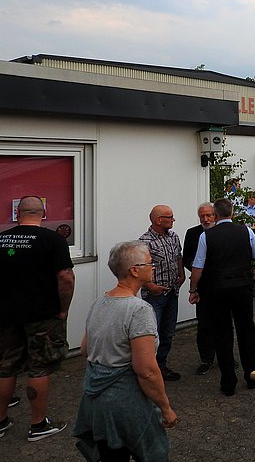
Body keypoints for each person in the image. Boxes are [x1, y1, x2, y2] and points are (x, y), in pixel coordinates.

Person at [73, 241, 178, 460]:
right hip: (126, 405)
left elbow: (85, 349)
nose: (154, 267)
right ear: (135, 270)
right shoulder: (139, 310)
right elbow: (146, 370)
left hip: (96, 403)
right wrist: (165, 408)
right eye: (150, 263)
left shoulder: (100, 302)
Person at [0, 195, 74, 442]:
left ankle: (1, 421)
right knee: (39, 367)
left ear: (17, 213)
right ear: (43, 213)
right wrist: (63, 309)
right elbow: (65, 277)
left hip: (6, 316)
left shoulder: (2, 239)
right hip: (43, 316)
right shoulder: (53, 240)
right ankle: (38, 425)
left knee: (5, 366)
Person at [189, 198, 255, 396]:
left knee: (222, 334)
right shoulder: (246, 231)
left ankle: (228, 382)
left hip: (217, 290)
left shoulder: (206, 236)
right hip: (242, 288)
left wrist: (193, 290)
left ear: (215, 215)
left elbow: (198, 267)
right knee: (246, 330)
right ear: (232, 213)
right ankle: (252, 376)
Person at [138, 205, 184, 382]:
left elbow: (178, 257)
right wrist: (150, 286)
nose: (173, 220)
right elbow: (139, 269)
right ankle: (147, 370)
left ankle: (161, 366)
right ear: (158, 220)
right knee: (151, 334)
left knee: (167, 333)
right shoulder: (144, 241)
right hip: (154, 296)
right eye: (170, 217)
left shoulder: (173, 236)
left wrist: (181, 274)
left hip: (172, 293)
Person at [182, 203, 217, 375]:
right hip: (202, 284)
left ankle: (225, 355)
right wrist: (198, 269)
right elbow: (186, 257)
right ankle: (206, 359)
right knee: (204, 323)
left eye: (209, 215)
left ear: (215, 215)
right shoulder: (193, 233)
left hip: (222, 285)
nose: (205, 219)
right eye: (202, 216)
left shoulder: (223, 232)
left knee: (224, 322)